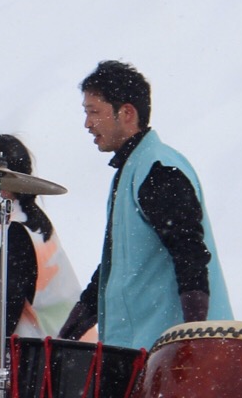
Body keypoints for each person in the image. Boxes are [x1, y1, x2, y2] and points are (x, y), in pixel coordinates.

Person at [59, 60, 231, 350]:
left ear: (126, 113)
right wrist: (70, 330)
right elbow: (120, 264)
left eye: (94, 112)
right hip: (143, 350)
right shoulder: (133, 170)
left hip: (173, 353)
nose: (87, 124)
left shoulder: (158, 170)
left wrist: (192, 342)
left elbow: (190, 254)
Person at [0, 134, 81, 338]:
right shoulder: (24, 222)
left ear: (5, 182)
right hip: (62, 352)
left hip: (48, 355)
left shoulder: (18, 232)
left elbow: (7, 309)